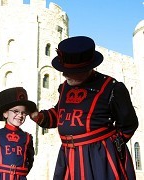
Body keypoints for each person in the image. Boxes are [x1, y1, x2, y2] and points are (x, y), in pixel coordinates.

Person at [30, 36, 139, 180]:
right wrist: (38, 116)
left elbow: (128, 124)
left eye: (71, 71)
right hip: (68, 158)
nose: (64, 74)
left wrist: (109, 146)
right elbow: (59, 114)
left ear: (88, 67)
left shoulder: (112, 87)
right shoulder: (64, 88)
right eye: (64, 69)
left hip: (100, 159)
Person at [0, 87, 36, 180]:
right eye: (16, 111)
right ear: (5, 113)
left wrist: (21, 174)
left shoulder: (27, 137)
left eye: (24, 113)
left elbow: (30, 161)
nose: (20, 115)